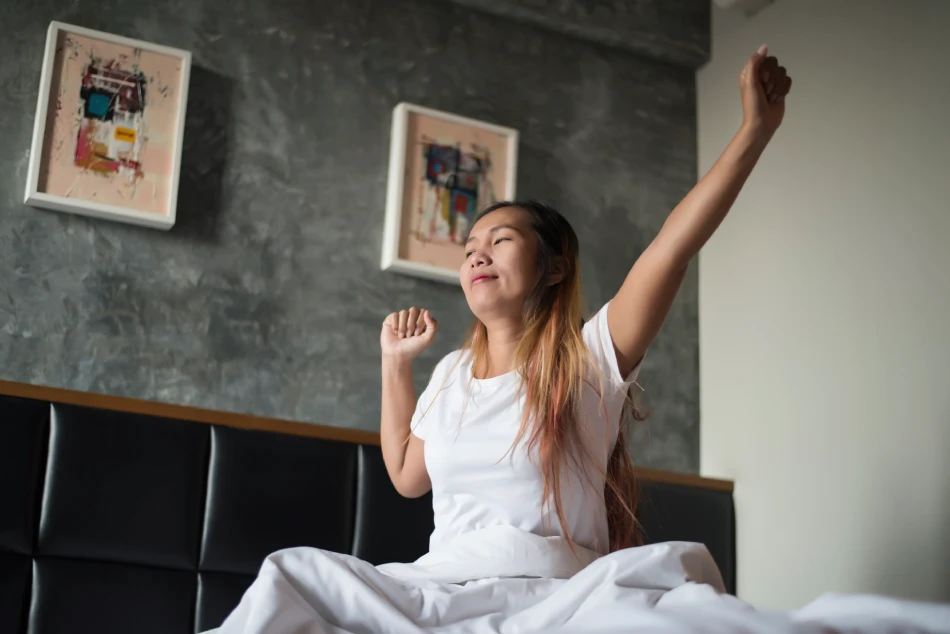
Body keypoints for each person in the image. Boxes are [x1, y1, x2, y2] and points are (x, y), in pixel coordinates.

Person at [212, 46, 798, 634]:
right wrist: (395, 365)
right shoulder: (451, 375)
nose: (477, 252)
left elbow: (671, 250)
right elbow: (406, 476)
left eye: (501, 239)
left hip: (561, 598)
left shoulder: (589, 360)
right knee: (289, 580)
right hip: (440, 590)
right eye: (469, 246)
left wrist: (755, 130)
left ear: (554, 267)